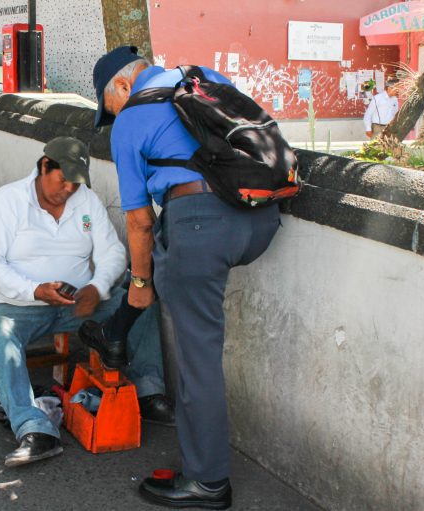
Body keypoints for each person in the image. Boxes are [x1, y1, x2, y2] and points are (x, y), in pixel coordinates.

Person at [90, 46, 281, 509]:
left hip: (201, 229)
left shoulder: (131, 121)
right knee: (168, 244)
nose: (113, 118)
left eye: (109, 108)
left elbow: (138, 221)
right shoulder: (203, 76)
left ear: (123, 85)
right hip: (261, 216)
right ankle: (119, 326)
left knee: (199, 365)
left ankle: (208, 483)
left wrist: (141, 285)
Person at [0, 136, 173, 468]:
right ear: (43, 166)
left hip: (77, 302)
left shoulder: (86, 201)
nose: (68, 189)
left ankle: (148, 392)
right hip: (18, 306)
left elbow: (112, 251)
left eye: (75, 183)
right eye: (62, 179)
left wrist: (97, 287)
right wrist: (35, 290)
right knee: (0, 333)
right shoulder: (6, 202)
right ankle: (34, 428)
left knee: (139, 300)